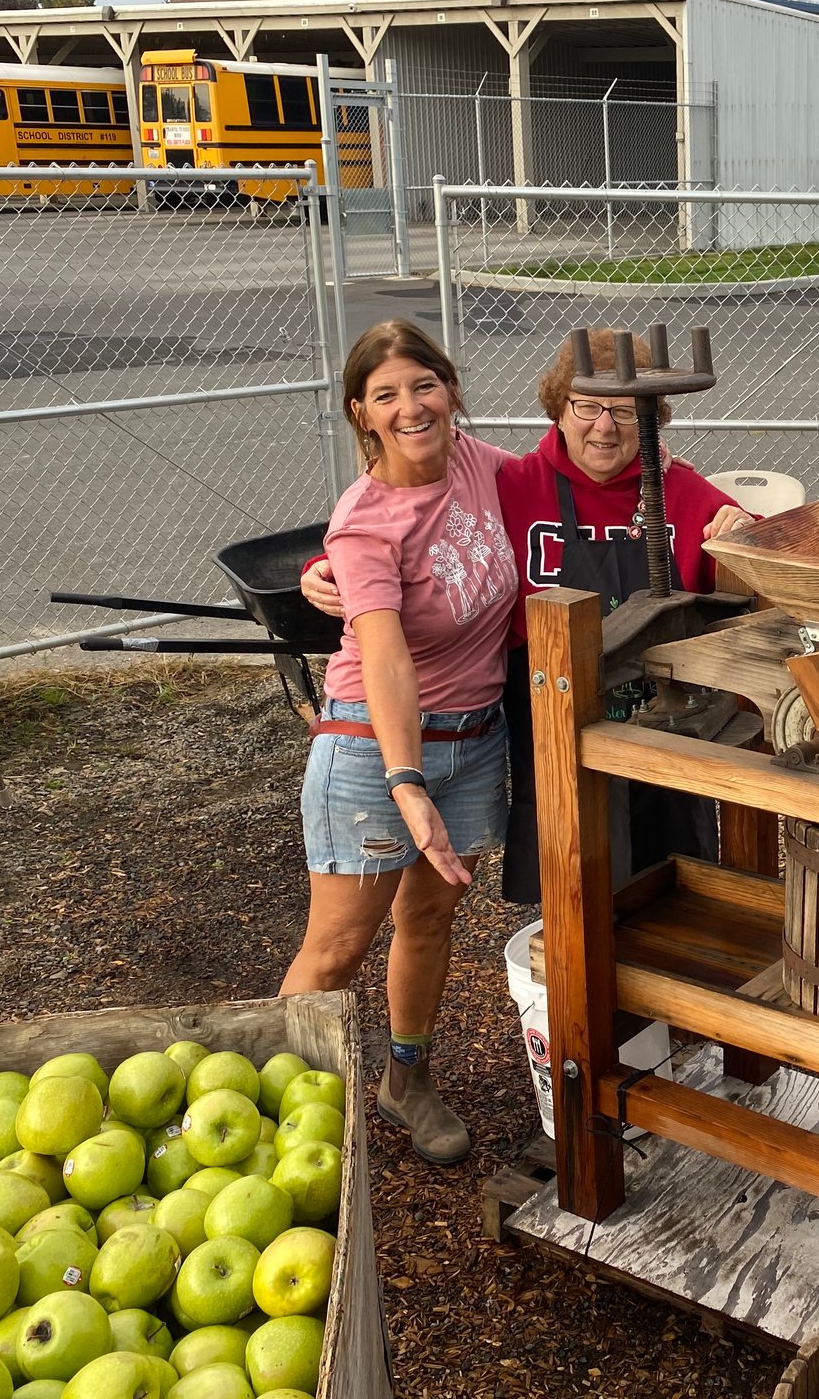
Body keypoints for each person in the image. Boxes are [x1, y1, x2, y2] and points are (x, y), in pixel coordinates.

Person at [304, 328, 753, 906]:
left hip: (662, 730)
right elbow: (411, 532)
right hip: (550, 724)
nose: (605, 426)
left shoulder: (685, 494)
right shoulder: (513, 484)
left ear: (652, 420)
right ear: (558, 411)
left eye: (625, 411)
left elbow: (754, 561)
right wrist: (325, 562)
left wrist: (745, 531)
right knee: (571, 887)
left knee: (673, 888)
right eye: (586, 406)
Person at [281, 319, 517, 1167]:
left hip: (475, 739)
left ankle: (404, 1080)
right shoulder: (365, 521)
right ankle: (280, 1120)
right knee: (339, 946)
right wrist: (406, 778)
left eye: (424, 385)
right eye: (388, 395)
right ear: (363, 414)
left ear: (450, 391)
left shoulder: (477, 465)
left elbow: (578, 478)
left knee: (430, 918)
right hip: (373, 753)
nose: (412, 406)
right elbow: (380, 647)